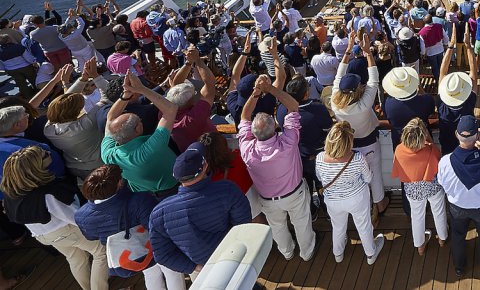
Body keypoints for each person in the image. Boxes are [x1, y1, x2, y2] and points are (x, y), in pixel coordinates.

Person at [0, 145, 107, 290]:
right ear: (35, 168)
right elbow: (74, 217)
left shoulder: (12, 193)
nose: (48, 152)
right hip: (66, 231)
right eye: (44, 155)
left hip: (45, 235)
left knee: (76, 258)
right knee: (101, 252)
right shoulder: (48, 195)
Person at [238, 73, 316, 261]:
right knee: (302, 223)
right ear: (274, 128)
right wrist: (270, 89)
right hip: (294, 194)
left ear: (253, 133)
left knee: (277, 226)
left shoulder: (247, 149)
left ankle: (287, 252)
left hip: (268, 198)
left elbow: (244, 116)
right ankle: (307, 252)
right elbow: (293, 106)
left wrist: (256, 93)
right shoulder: (288, 142)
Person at [149, 142, 252, 278]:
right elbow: (243, 224)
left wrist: (195, 267)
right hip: (233, 256)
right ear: (205, 167)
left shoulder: (158, 214)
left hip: (201, 270)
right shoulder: (227, 189)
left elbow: (162, 255)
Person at [76, 164, 185, 290]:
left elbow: (91, 236)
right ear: (118, 184)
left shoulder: (82, 216)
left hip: (131, 254)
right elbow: (154, 226)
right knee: (172, 272)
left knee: (150, 274)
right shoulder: (139, 200)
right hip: (155, 246)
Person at [332, 34, 389, 217]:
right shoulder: (363, 106)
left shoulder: (335, 103)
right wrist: (368, 53)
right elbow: (373, 80)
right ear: (358, 88)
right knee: (376, 176)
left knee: (359, 180)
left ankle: (367, 206)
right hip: (370, 142)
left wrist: (348, 50)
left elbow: (338, 76)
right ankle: (379, 204)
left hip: (350, 146)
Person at [437, 115, 480, 277]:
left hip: (457, 207)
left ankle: (459, 267)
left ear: (456, 135)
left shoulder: (445, 162)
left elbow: (442, 184)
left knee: (458, 235)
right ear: (477, 137)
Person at [315, 121, 385, 265]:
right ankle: (370, 254)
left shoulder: (320, 158)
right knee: (363, 226)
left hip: (333, 200)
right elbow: (368, 178)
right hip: (356, 198)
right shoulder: (357, 157)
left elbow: (321, 178)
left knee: (338, 227)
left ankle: (338, 254)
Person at [101, 71, 179, 196]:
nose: (141, 120)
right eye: (139, 121)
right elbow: (171, 109)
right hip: (172, 188)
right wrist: (141, 89)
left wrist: (126, 95)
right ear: (137, 130)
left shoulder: (108, 153)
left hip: (143, 193)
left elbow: (111, 117)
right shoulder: (150, 149)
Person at [393, 117, 448, 257]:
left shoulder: (399, 150)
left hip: (413, 189)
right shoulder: (430, 150)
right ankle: (442, 238)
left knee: (417, 216)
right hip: (432, 186)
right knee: (439, 212)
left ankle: (420, 246)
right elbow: (438, 158)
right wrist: (430, 139)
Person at [44, 90, 103, 180]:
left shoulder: (48, 130)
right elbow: (106, 97)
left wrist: (82, 80)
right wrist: (96, 77)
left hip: (73, 166)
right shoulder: (86, 124)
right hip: (97, 167)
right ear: (77, 111)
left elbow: (61, 103)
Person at [381, 66, 435, 153]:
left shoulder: (388, 104)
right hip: (424, 144)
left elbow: (386, 117)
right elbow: (431, 112)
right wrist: (419, 87)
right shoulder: (427, 100)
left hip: (400, 146)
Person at [436, 44, 478, 155]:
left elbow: (442, 72)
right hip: (466, 150)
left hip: (446, 152)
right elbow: (473, 73)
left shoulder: (441, 105)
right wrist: (468, 47)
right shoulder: (469, 103)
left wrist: (450, 47)